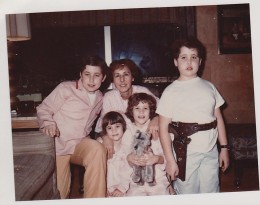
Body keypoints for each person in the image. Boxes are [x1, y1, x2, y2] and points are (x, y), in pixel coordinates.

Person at [156, 37, 230, 194]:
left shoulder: (209, 87)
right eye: (183, 57)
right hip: (186, 153)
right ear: (176, 61)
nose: (189, 62)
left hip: (210, 150)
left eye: (193, 57)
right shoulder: (170, 92)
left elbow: (218, 119)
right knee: (187, 191)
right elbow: (163, 129)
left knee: (211, 190)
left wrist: (224, 148)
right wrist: (170, 160)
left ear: (200, 61)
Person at [36, 55, 110, 199]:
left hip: (80, 144)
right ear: (80, 74)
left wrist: (105, 136)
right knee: (60, 192)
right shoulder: (66, 88)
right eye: (87, 74)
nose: (91, 80)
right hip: (59, 145)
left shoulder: (101, 97)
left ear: (103, 77)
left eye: (96, 75)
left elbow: (105, 119)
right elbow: (43, 109)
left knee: (97, 149)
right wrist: (48, 123)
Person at [95, 59, 160, 158]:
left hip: (142, 137)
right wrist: (105, 137)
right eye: (117, 75)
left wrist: (156, 118)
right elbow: (103, 123)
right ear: (112, 80)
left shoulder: (142, 91)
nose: (122, 79)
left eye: (126, 74)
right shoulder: (109, 97)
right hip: (121, 140)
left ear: (132, 77)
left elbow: (163, 108)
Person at [125, 93, 171, 196]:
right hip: (135, 182)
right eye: (137, 108)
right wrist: (130, 158)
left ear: (151, 111)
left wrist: (156, 159)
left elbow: (167, 157)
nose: (141, 112)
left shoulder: (158, 129)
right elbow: (123, 157)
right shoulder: (128, 131)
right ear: (131, 111)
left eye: (145, 108)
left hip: (158, 180)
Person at [98, 111, 132, 197]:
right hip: (103, 187)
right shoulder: (101, 146)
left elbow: (127, 171)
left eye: (117, 126)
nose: (114, 130)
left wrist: (121, 188)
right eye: (109, 128)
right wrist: (102, 187)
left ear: (123, 128)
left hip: (120, 189)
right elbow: (98, 170)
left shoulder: (126, 149)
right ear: (105, 131)